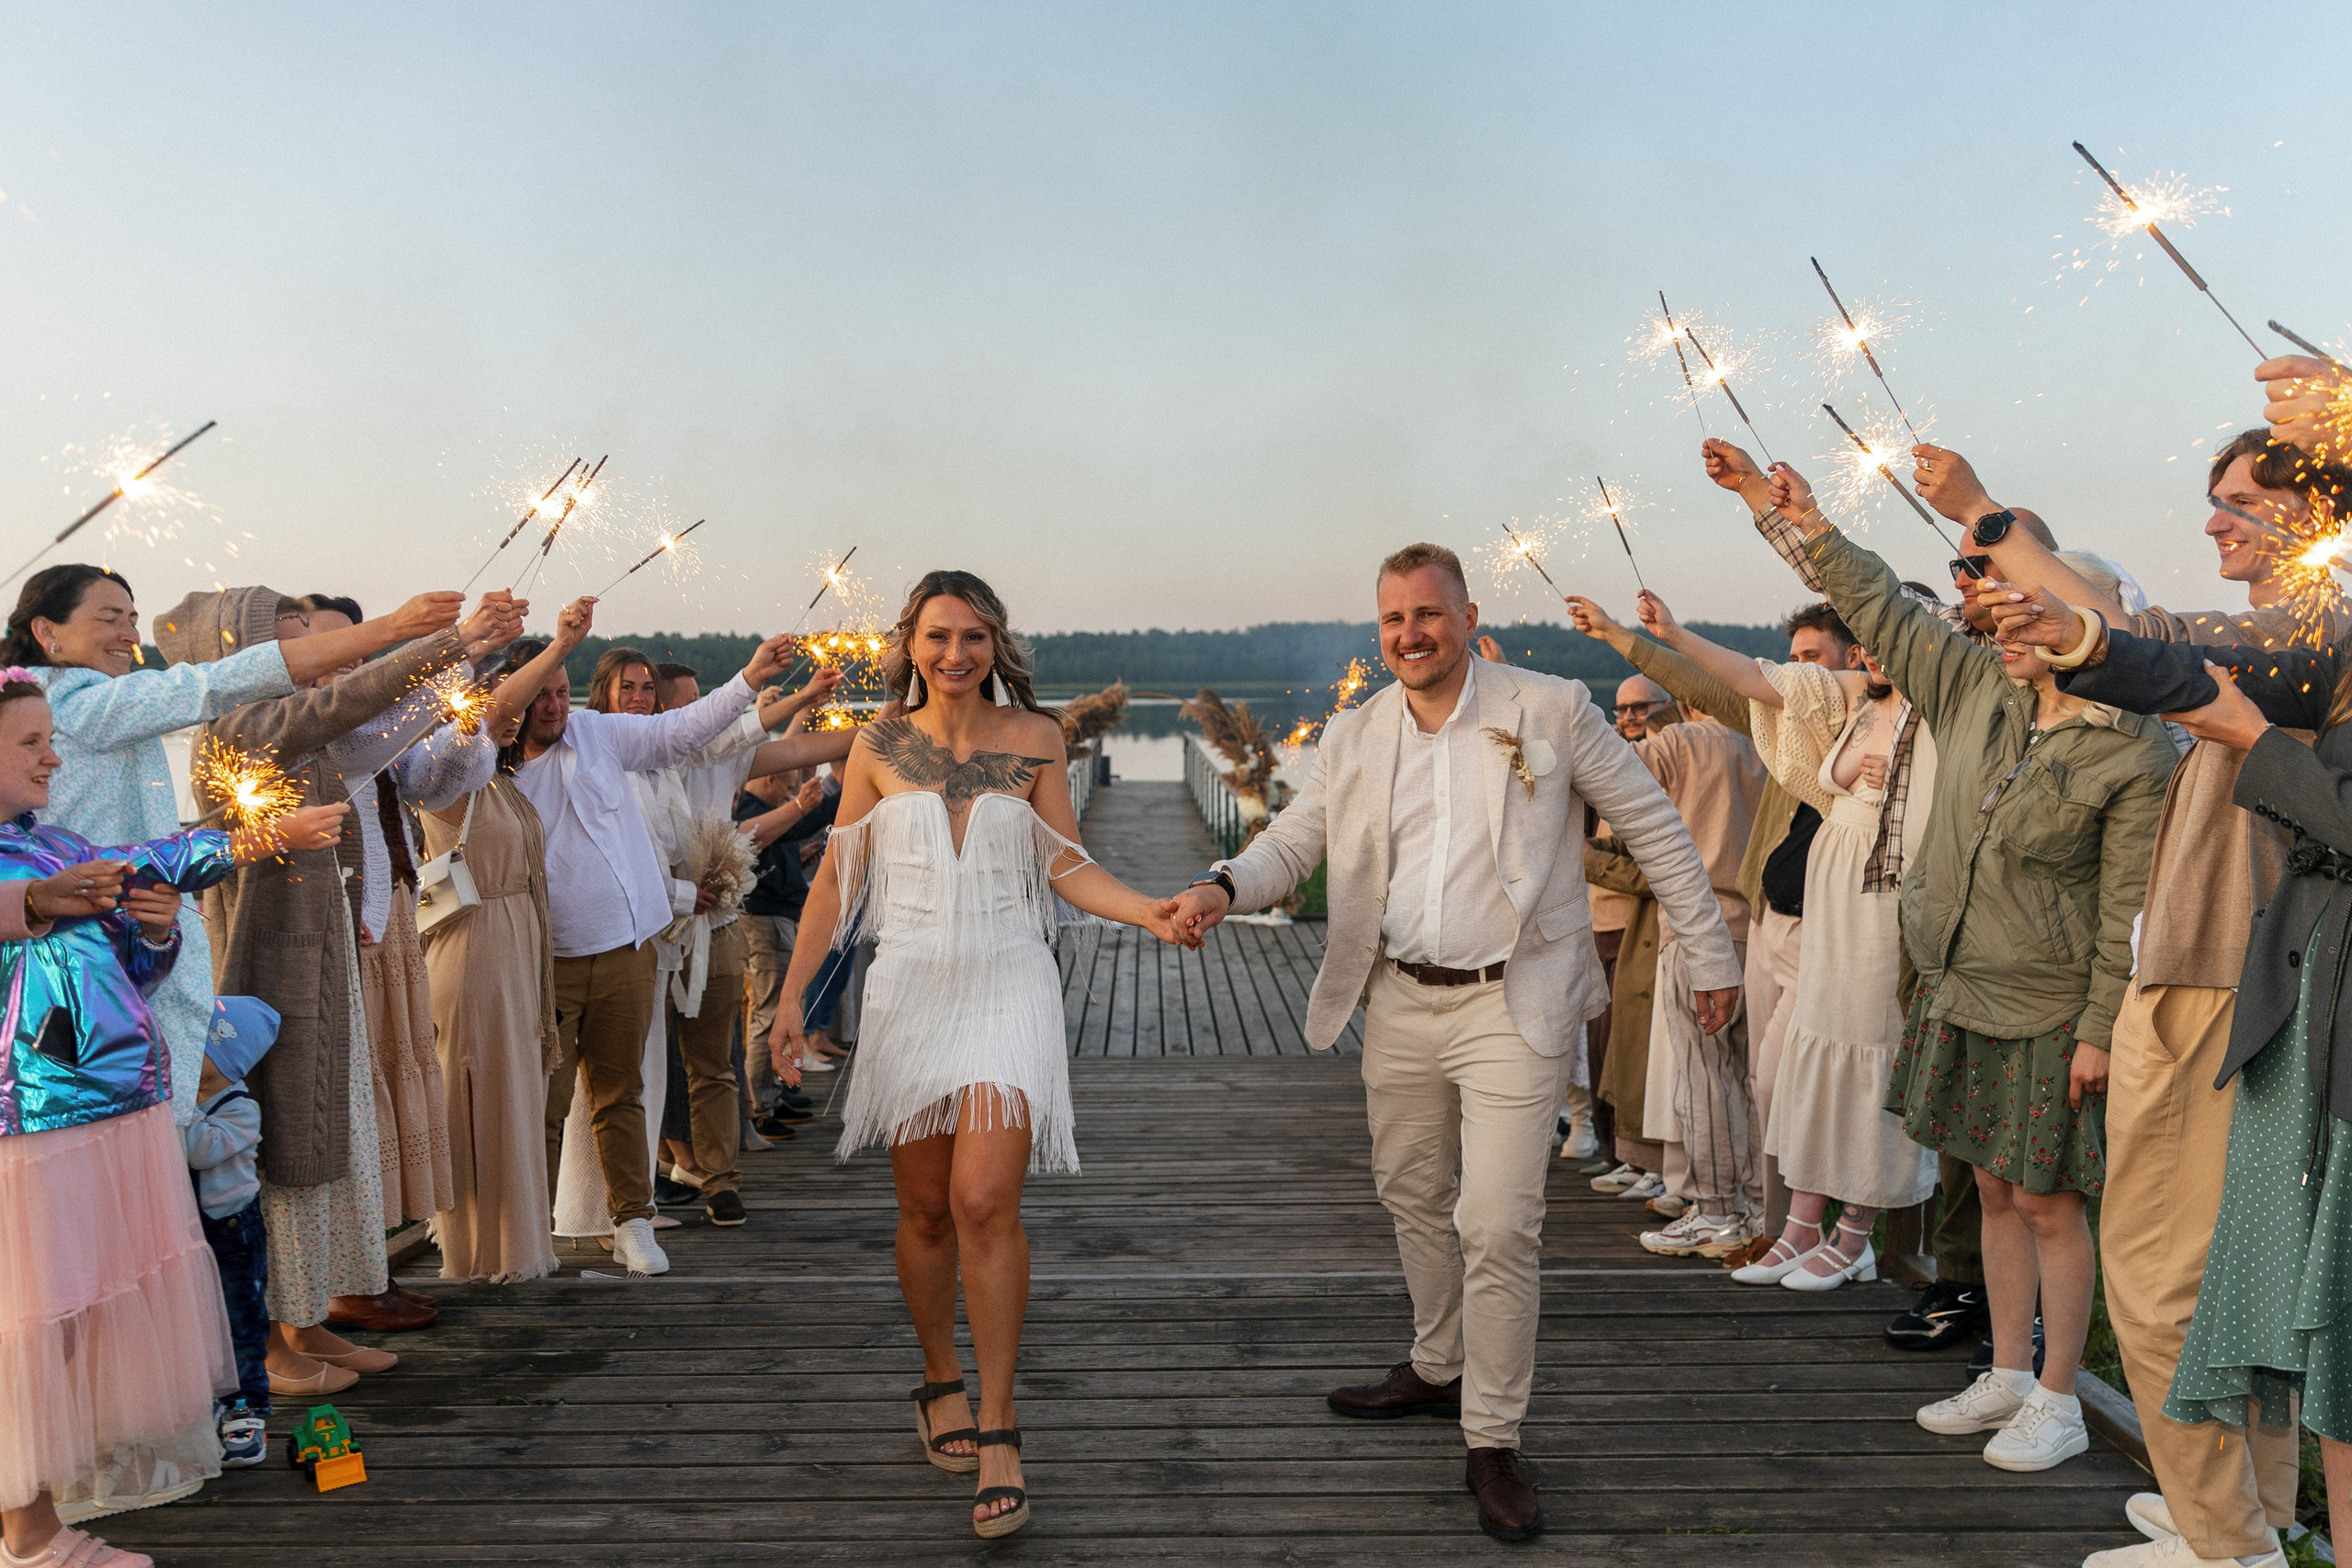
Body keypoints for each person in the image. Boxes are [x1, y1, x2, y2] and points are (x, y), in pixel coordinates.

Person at [1166, 544, 1741, 1543]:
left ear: (1467, 615)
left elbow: (1652, 826)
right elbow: (1295, 844)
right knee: (1411, 1193)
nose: (1409, 636)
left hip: (1512, 1003)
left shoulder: (1549, 708)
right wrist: (1222, 886)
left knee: (1499, 1220)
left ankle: (1493, 1435)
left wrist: (1714, 956)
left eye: (1427, 616)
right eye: (1392, 621)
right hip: (1397, 999)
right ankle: (1436, 1366)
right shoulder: (1355, 734)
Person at [1974, 429, 2352, 1568]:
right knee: (2238, 1277)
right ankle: (2248, 1519)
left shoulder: (2309, 641)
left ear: (2320, 506)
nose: (2214, 520)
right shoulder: (2297, 640)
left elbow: (2164, 652)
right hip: (2197, 983)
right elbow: (2149, 650)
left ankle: (2221, 1536)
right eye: (2213, 499)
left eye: (2242, 499)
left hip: (2222, 990)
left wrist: (2000, 524)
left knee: (2160, 1270)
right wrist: (1992, 528)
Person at [1768, 462, 2175, 1474]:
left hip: (2048, 1007)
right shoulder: (1978, 693)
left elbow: (2127, 909)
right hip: (1959, 986)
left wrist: (2096, 1030)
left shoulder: (2135, 753)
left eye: (2029, 615)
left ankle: (2057, 1398)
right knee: (1990, 1190)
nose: (2006, 631)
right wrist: (1801, 520)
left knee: (2046, 1202)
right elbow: (1875, 604)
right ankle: (2001, 1369)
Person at [769, 570, 1190, 1540]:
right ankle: (938, 1379)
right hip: (910, 985)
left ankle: (999, 1426)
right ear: (909, 645)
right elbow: (836, 878)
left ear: (996, 645)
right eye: (935, 637)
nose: (954, 654)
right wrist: (792, 999)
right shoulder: (879, 746)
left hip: (1008, 978)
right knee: (921, 1210)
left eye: (971, 637)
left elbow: (1066, 864)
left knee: (981, 1203)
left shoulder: (1035, 740)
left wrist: (1151, 910)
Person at [0, 667, 346, 1568]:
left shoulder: (55, 841)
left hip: (117, 1110)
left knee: (81, 1323)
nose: (52, 756)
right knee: (42, 1323)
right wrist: (39, 901)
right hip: (36, 1129)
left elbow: (131, 961)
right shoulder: (29, 870)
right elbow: (37, 905)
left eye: (50, 738)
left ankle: (38, 1519)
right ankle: (29, 1536)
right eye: (31, 742)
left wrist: (154, 931)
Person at [158, 585, 519, 1390]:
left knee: (329, 1141)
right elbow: (343, 706)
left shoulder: (302, 731)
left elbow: (386, 730)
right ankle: (272, 1339)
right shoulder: (239, 730)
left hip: (323, 963)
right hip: (263, 970)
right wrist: (448, 640)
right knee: (283, 1147)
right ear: (239, 654)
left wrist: (473, 655)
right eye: (293, 648)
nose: (311, 664)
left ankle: (310, 1318)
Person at [9, 566, 466, 1132]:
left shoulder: (96, 704)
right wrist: (397, 629)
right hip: (85, 971)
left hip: (136, 942)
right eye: (109, 619)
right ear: (46, 630)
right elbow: (209, 685)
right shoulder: (76, 702)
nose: (130, 635)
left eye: (132, 618)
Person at [1625, 584, 1939, 1288]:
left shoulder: (1938, 713)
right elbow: (1751, 677)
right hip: (1829, 910)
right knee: (1804, 1070)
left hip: (1881, 911)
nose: (1873, 652)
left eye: (1888, 638)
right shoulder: (1856, 700)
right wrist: (1671, 630)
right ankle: (1801, 1224)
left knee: (1867, 1065)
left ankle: (1854, 1232)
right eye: (1869, 640)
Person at [1572, 546, 1871, 1256]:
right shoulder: (1775, 736)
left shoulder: (1856, 731)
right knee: (1764, 1083)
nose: (1799, 669)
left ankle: (1754, 1216)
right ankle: (1773, 1225)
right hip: (1765, 923)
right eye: (1791, 656)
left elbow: (1615, 782)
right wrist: (1634, 635)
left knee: (1742, 1081)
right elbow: (1733, 690)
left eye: (1813, 655)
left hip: (1777, 931)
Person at [515, 607, 795, 1277]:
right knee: (544, 1100)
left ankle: (633, 1222)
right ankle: (528, 1231)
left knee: (621, 1092)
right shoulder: (489, 764)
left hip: (625, 949)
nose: (554, 706)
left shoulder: (596, 734)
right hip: (544, 960)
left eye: (560, 691)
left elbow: (679, 730)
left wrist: (748, 679)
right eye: (539, 694)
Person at [414, 609, 593, 1285]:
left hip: (513, 949)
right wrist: (563, 646)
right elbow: (488, 716)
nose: (513, 713)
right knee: (482, 1094)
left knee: (513, 1095)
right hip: (475, 951)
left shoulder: (499, 780)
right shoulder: (447, 775)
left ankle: (514, 1246)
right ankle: (476, 1253)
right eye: (502, 696)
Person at [735, 765, 834, 1133]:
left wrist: (799, 858)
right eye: (787, 790)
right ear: (769, 778)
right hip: (766, 920)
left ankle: (772, 1091)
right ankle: (762, 1104)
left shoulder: (760, 812)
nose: (790, 799)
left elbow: (774, 854)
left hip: (773, 914)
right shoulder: (751, 813)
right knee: (770, 1012)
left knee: (769, 1008)